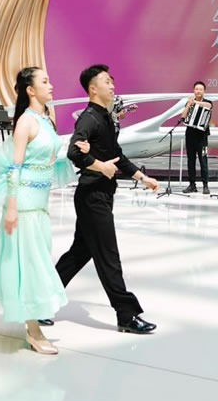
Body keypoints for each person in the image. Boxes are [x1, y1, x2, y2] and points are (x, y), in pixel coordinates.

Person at [0, 67, 89, 354]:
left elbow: (47, 158)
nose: (51, 85)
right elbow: (15, 167)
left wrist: (76, 149)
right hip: (22, 204)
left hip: (40, 203)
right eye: (44, 81)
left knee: (6, 258)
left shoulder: (46, 119)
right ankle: (34, 331)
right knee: (32, 265)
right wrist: (11, 207)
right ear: (30, 90)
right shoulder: (25, 122)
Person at [57, 63, 161, 334]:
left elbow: (117, 155)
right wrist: (99, 165)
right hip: (92, 195)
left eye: (112, 81)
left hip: (102, 193)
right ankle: (126, 314)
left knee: (79, 253)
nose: (112, 85)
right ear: (93, 89)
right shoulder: (89, 118)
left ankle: (39, 301)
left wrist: (142, 177)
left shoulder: (106, 118)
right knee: (108, 256)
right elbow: (74, 153)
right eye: (106, 81)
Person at [177, 81, 213, 194]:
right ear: (193, 90)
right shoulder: (189, 102)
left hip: (202, 137)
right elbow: (183, 116)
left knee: (203, 161)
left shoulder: (208, 102)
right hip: (190, 135)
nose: (198, 91)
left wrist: (195, 102)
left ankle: (205, 185)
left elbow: (209, 106)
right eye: (196, 89)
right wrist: (188, 104)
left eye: (200, 89)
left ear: (204, 91)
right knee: (190, 161)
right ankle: (192, 185)